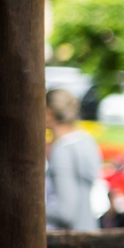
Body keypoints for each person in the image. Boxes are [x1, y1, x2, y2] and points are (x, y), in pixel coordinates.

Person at [45, 88, 103, 231]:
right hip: (88, 231)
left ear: (48, 113)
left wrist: (29, 208)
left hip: (68, 241)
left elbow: (65, 211)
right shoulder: (87, 140)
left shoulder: (63, 150)